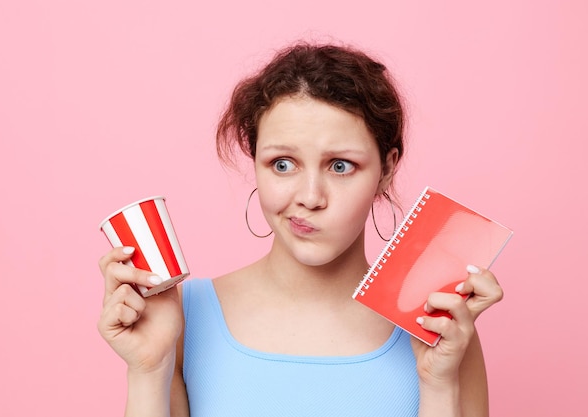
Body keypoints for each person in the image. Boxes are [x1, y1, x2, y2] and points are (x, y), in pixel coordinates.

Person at [97, 41, 504, 417]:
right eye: (283, 164)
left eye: (340, 166)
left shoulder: (439, 324)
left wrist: (438, 385)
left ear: (387, 170)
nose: (310, 196)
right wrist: (148, 370)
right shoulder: (180, 317)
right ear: (254, 161)